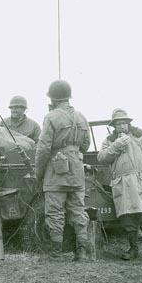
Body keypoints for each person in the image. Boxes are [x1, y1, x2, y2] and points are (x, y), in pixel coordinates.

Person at [35, 80, 91, 260]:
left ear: (52, 98)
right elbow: (86, 145)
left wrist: (39, 172)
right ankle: (81, 252)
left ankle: (56, 253)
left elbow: (43, 148)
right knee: (78, 211)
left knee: (55, 212)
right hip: (76, 170)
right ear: (68, 97)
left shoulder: (50, 117)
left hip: (56, 171)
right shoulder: (82, 117)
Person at [97, 108, 142, 262]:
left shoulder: (141, 136)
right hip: (122, 185)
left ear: (129, 123)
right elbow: (102, 158)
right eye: (118, 124)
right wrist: (117, 145)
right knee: (127, 219)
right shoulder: (109, 141)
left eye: (124, 123)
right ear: (113, 126)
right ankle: (133, 249)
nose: (121, 126)